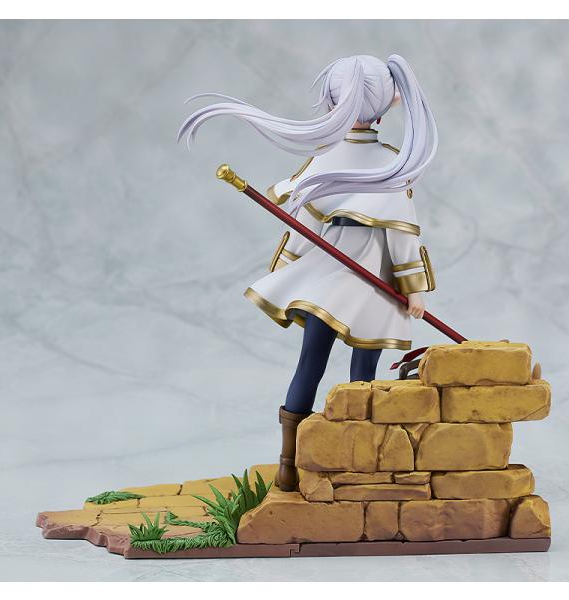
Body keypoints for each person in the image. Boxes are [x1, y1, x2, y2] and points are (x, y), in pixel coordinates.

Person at [179, 54, 438, 491]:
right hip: (372, 285)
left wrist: (289, 271)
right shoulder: (390, 164)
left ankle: (289, 467)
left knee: (311, 364)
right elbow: (400, 237)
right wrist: (414, 289)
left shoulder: (326, 158)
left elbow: (304, 226)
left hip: (327, 279)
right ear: (389, 104)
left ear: (333, 102)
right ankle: (353, 466)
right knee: (363, 378)